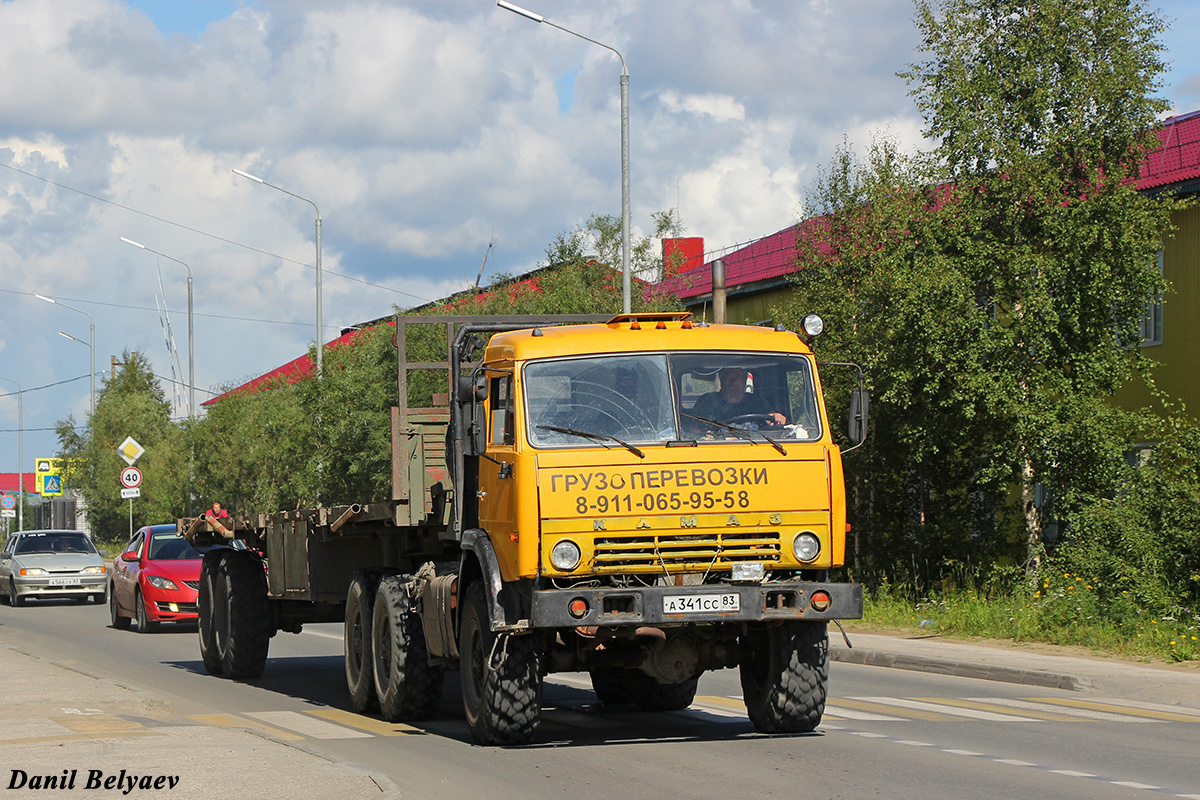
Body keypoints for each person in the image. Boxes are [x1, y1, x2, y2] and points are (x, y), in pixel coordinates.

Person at [690, 367, 786, 426]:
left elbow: (772, 418)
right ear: (721, 379)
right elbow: (694, 430)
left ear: (744, 380)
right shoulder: (707, 401)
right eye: (728, 377)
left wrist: (777, 418)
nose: (733, 382)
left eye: (738, 377)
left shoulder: (757, 401)